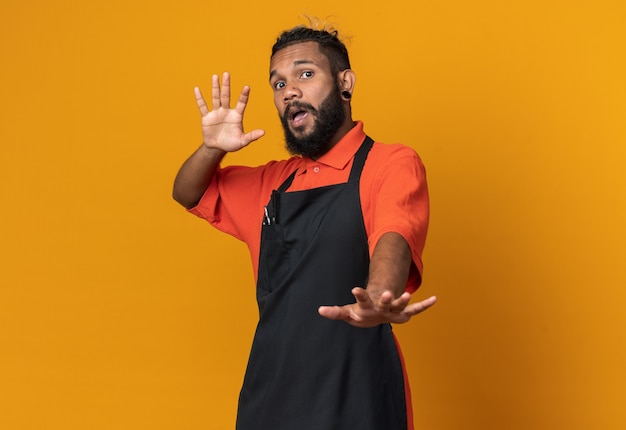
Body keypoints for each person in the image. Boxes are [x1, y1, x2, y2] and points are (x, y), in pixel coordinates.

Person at [173, 22, 437, 430]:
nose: (289, 91)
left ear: (345, 82)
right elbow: (188, 192)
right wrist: (210, 150)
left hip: (357, 394)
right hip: (272, 396)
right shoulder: (272, 181)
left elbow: (394, 234)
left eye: (305, 74)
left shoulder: (390, 163)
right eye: (277, 84)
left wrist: (377, 296)